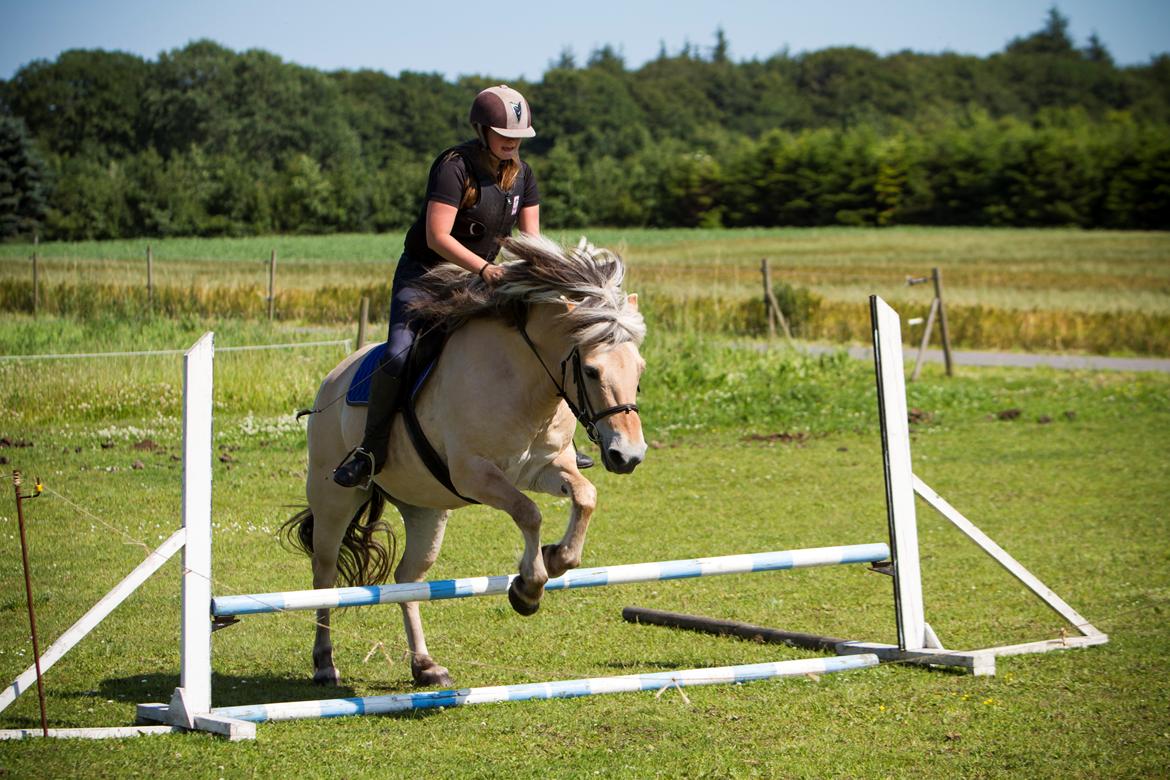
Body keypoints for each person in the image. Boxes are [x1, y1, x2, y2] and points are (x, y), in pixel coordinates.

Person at [333, 84, 592, 488]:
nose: (512, 143)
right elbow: (438, 237)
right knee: (400, 356)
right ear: (481, 130)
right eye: (504, 135)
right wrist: (487, 269)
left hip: (481, 280)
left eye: (519, 138)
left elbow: (530, 240)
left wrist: (550, 278)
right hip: (427, 277)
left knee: (546, 338)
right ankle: (370, 448)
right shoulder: (453, 166)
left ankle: (559, 445)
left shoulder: (524, 175)